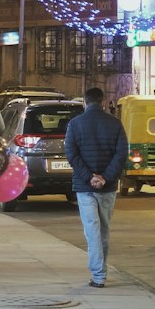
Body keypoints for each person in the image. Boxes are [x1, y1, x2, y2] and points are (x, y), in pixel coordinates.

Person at [64, 86, 128, 288]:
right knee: (104, 231)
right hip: (107, 188)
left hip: (84, 187)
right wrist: (105, 178)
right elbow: (121, 155)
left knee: (92, 230)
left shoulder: (75, 124)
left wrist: (89, 177)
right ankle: (100, 272)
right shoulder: (115, 124)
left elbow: (71, 155)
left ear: (84, 102)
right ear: (103, 102)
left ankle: (98, 275)